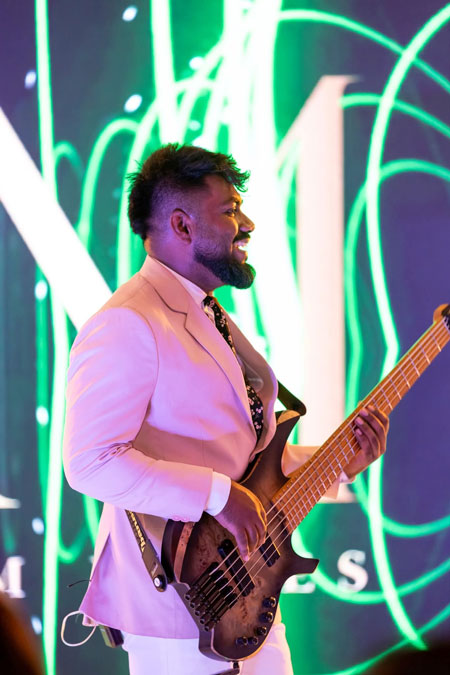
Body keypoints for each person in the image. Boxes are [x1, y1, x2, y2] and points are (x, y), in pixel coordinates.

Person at [63, 144, 389, 675]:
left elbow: (243, 462)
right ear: (182, 225)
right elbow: (89, 463)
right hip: (176, 613)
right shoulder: (128, 320)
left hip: (245, 602)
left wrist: (338, 462)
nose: (248, 224)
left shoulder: (205, 310)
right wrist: (218, 496)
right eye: (231, 210)